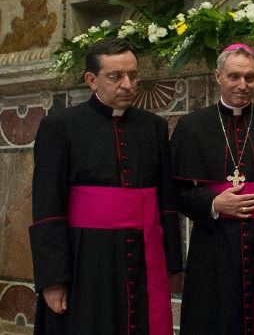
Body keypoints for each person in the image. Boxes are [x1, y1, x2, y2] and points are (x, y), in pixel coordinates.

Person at [29, 38, 181, 335]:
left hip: (142, 253)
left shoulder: (153, 126)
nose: (127, 84)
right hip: (86, 258)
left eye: (133, 75)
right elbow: (47, 205)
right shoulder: (61, 126)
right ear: (91, 80)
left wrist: (171, 260)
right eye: (116, 76)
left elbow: (166, 198)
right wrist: (53, 279)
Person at [171, 44, 254, 335]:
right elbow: (175, 192)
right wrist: (214, 203)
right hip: (214, 244)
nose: (242, 85)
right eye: (234, 77)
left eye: (250, 78)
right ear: (218, 76)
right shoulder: (192, 126)